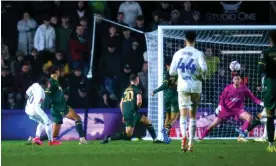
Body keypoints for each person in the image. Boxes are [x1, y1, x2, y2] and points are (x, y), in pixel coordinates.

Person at [169, 31, 207, 152]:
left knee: (183, 115)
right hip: (196, 87)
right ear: (195, 40)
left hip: (183, 87)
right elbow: (205, 69)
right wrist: (201, 76)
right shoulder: (198, 53)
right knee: (193, 115)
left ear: (184, 40)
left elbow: (172, 73)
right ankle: (191, 142)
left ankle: (183, 136)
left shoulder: (178, 53)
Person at [101, 74, 164, 144]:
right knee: (128, 134)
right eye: (138, 79)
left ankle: (155, 140)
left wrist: (124, 114)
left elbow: (121, 103)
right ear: (137, 80)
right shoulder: (137, 89)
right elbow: (139, 101)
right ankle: (108, 138)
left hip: (127, 112)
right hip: (133, 112)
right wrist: (135, 109)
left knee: (147, 121)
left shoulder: (126, 90)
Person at [200, 73, 264, 142]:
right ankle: (201, 137)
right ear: (233, 80)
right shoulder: (228, 88)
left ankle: (241, 136)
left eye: (238, 79)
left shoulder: (244, 88)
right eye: (235, 79)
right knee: (212, 125)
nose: (237, 80)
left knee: (249, 117)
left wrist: (261, 103)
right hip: (226, 110)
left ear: (240, 80)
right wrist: (219, 106)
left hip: (238, 110)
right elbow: (222, 98)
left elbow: (253, 97)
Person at [45, 65, 87, 145]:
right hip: (60, 107)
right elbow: (47, 93)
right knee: (77, 118)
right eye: (61, 71)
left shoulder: (55, 81)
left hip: (57, 108)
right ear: (57, 71)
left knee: (54, 135)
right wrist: (49, 103)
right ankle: (82, 139)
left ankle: (35, 138)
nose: (62, 72)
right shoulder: (51, 82)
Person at [25, 77, 61, 145]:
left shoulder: (35, 85)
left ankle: (37, 138)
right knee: (48, 122)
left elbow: (27, 94)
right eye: (48, 82)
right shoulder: (41, 93)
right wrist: (43, 116)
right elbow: (37, 106)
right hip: (35, 110)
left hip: (27, 109)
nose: (49, 83)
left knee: (41, 122)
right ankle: (51, 141)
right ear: (44, 83)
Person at [152, 57, 179, 142]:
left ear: (166, 65)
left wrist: (155, 91)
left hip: (166, 97)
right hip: (174, 97)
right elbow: (166, 85)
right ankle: (166, 129)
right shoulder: (176, 72)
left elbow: (165, 85)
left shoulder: (166, 73)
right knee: (175, 116)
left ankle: (165, 137)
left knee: (168, 116)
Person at [258, 30, 276, 152]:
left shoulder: (265, 53)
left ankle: (271, 145)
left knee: (270, 116)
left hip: (270, 86)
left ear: (270, 40)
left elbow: (260, 69)